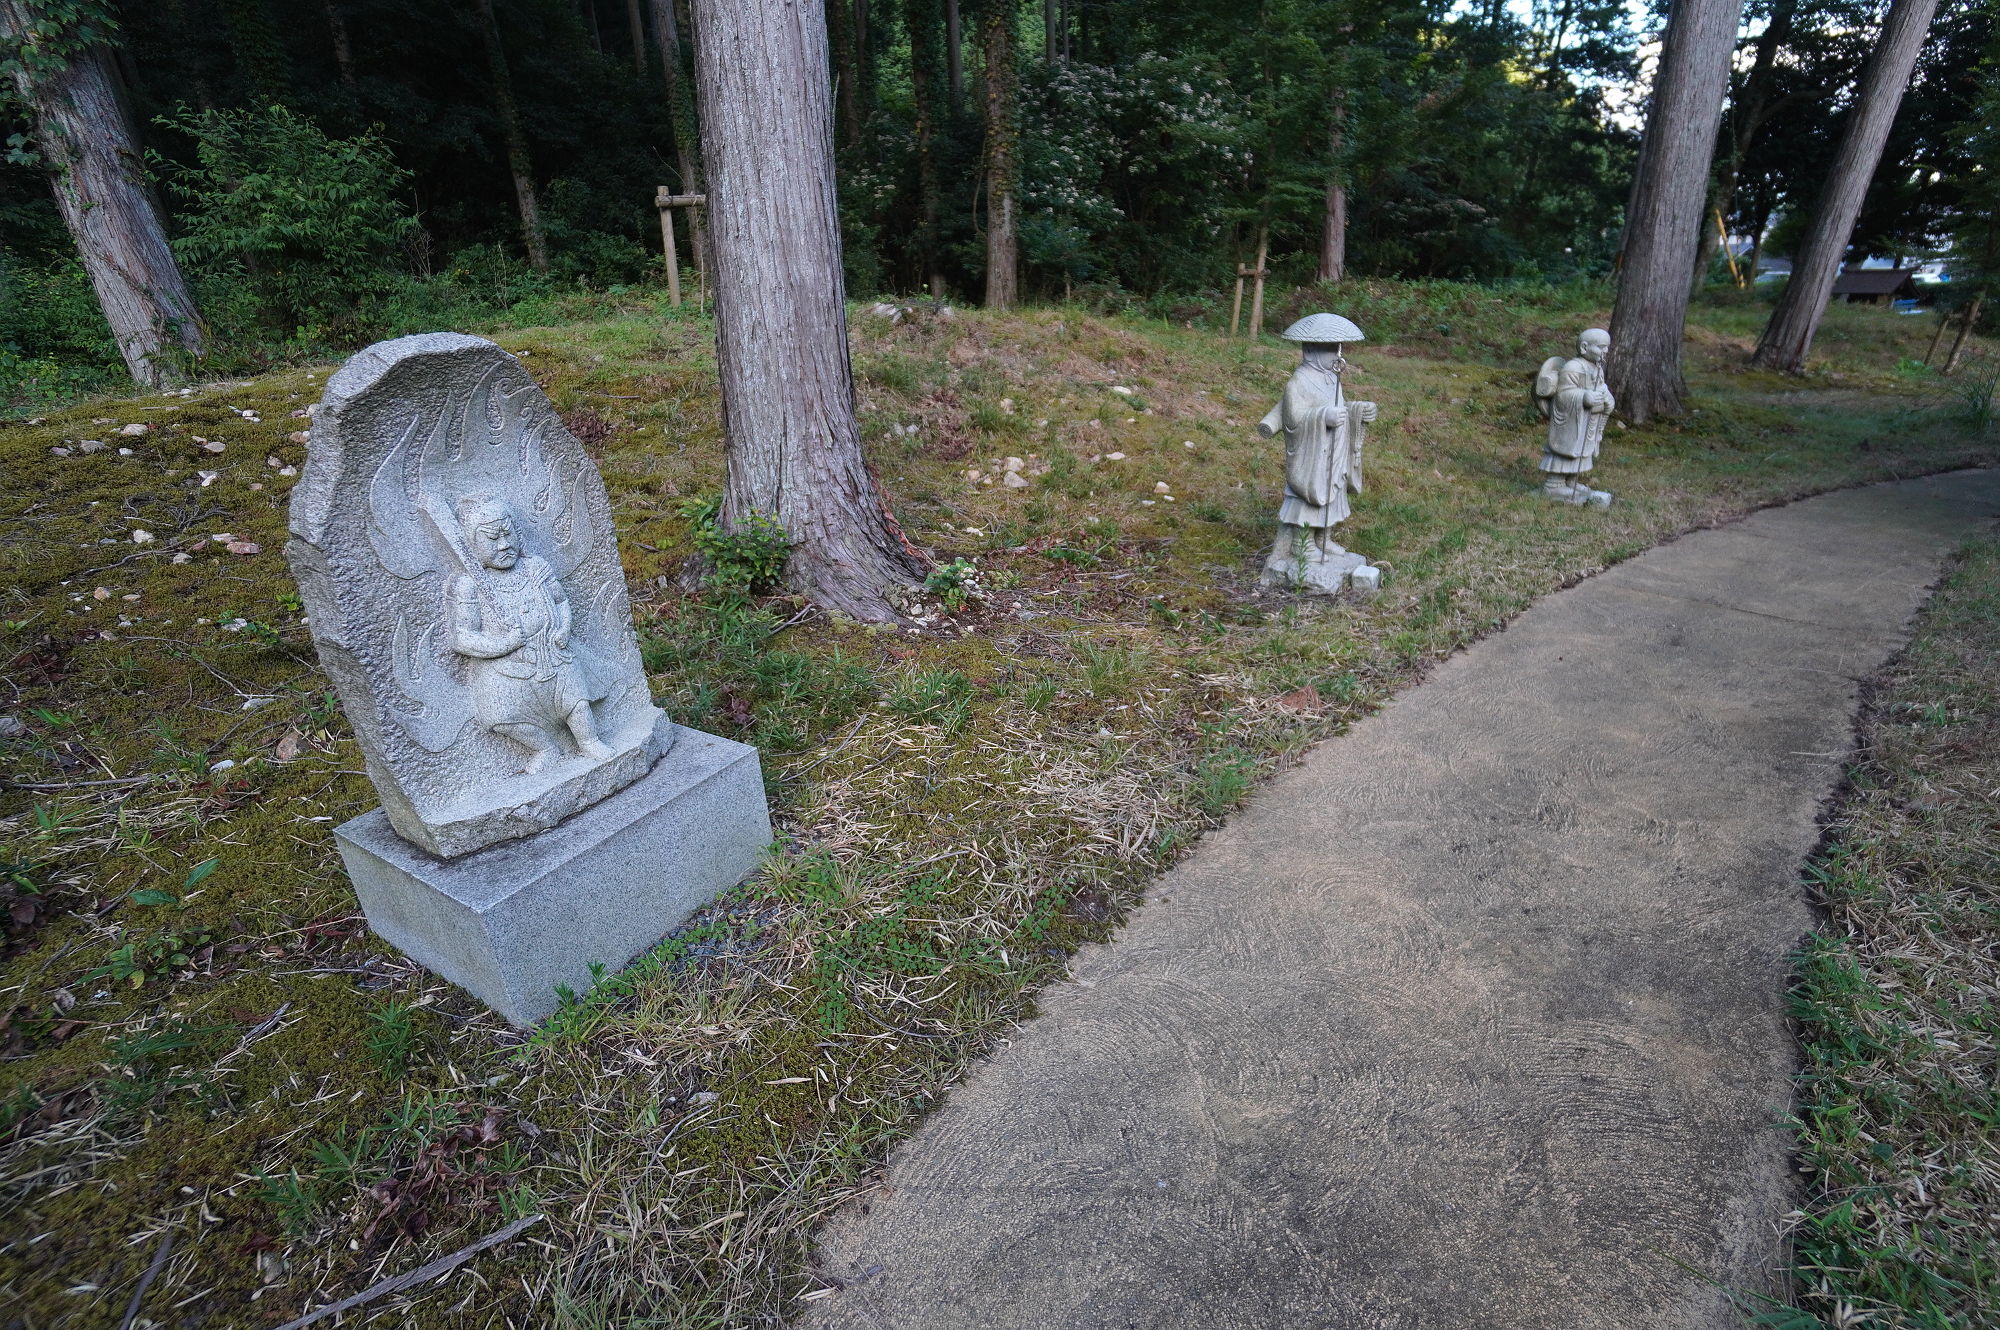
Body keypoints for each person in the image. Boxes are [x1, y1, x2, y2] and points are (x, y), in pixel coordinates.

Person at [448, 494, 613, 774]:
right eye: (492, 539)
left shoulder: (535, 567)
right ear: (472, 546)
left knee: (576, 699)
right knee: (501, 715)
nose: (504, 545)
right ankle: (545, 748)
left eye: (507, 534)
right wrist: (503, 644)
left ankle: (589, 740)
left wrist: (563, 628)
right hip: (506, 666)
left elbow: (560, 601)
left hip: (552, 651)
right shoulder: (470, 585)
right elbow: (463, 637)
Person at [1257, 312, 1381, 594]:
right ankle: (1304, 545)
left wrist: (1359, 409)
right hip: (1311, 455)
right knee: (1310, 498)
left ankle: (1324, 538)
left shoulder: (1331, 378)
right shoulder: (1298, 382)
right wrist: (1322, 416)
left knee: (1333, 493)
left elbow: (1342, 408)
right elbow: (1293, 419)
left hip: (1333, 451)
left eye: (1337, 347)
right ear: (1310, 349)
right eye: (1328, 348)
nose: (1335, 353)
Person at [1535, 328, 1615, 506]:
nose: (1606, 352)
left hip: (1587, 420)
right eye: (1601, 347)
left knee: (1582, 447)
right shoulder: (1573, 367)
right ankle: (1553, 484)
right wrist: (1584, 397)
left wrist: (1607, 397)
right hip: (1571, 421)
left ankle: (1570, 481)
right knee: (1569, 446)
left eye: (1607, 347)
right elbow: (1563, 395)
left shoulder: (1597, 368)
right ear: (1585, 347)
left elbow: (1601, 387)